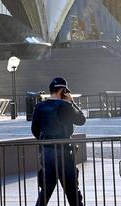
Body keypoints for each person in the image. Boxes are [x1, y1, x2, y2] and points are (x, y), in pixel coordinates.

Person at [31, 77, 86, 206]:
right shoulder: (65, 106)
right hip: (64, 153)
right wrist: (72, 103)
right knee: (72, 191)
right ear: (62, 91)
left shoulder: (39, 107)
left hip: (46, 153)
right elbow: (81, 120)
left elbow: (34, 129)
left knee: (45, 191)